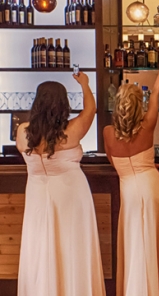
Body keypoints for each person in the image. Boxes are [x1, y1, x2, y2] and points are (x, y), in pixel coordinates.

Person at [16, 76, 105, 295]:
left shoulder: (23, 132)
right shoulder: (71, 131)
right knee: (72, 248)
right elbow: (91, 109)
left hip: (38, 198)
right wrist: (84, 84)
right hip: (71, 197)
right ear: (63, 104)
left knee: (41, 248)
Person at [103, 49, 159, 296]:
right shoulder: (148, 125)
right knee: (156, 243)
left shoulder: (107, 134)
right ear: (138, 106)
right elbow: (156, 91)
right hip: (153, 187)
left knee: (135, 243)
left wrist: (141, 163)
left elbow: (117, 164)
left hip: (130, 192)